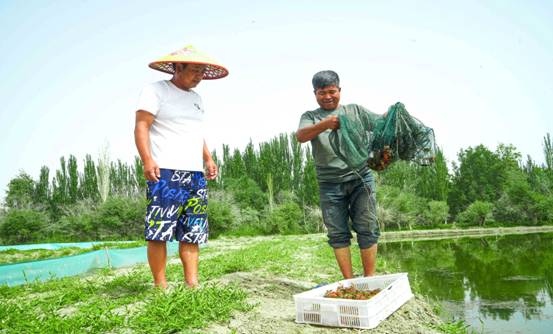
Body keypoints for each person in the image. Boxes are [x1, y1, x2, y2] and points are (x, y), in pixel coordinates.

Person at [134, 45, 228, 288]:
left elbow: (196, 132)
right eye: (195, 70)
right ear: (177, 67)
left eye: (203, 72)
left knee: (193, 229)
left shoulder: (196, 99)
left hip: (194, 174)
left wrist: (208, 158)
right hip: (165, 171)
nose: (199, 76)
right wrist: (147, 159)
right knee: (159, 230)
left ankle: (192, 284)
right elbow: (142, 126)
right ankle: (160, 286)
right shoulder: (156, 91)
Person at [296, 70, 382, 279]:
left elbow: (380, 124)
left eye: (332, 91)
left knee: (368, 227)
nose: (327, 96)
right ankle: (349, 282)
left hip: (361, 179)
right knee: (337, 233)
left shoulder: (355, 111)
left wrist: (394, 114)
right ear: (315, 94)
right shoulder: (310, 117)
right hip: (330, 184)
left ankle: (369, 279)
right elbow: (301, 136)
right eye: (321, 92)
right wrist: (325, 124)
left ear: (340, 90)